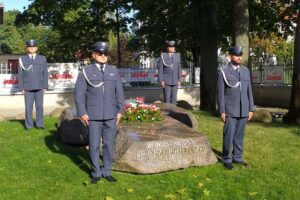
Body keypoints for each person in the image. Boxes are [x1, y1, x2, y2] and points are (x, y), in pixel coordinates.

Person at [75, 41, 124, 184]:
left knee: (109, 144)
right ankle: (96, 172)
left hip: (111, 114)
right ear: (94, 55)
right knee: (94, 145)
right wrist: (82, 112)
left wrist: (120, 110)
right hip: (93, 115)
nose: (103, 56)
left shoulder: (113, 70)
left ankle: (107, 171)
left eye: (106, 53)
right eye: (100, 53)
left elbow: (119, 92)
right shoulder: (86, 72)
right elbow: (79, 94)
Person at [216, 46, 255, 170]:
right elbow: (220, 93)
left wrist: (251, 108)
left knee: (239, 135)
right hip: (230, 109)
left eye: (240, 55)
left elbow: (249, 91)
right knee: (229, 135)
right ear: (230, 56)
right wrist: (222, 110)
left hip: (243, 109)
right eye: (237, 55)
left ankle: (237, 157)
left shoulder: (245, 71)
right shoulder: (223, 71)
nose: (239, 57)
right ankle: (226, 158)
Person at [18, 39, 48, 130]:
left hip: (39, 87)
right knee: (28, 108)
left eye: (33, 47)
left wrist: (45, 86)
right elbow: (20, 74)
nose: (32, 48)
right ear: (27, 48)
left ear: (36, 48)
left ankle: (40, 124)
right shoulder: (22, 59)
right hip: (27, 88)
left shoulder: (42, 58)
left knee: (39, 107)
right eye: (30, 47)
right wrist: (21, 88)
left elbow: (45, 73)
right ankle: (29, 125)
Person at [158, 40, 181, 104]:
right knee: (167, 99)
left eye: (173, 47)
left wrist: (179, 80)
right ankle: (167, 113)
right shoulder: (163, 56)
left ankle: (173, 113)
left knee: (174, 99)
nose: (172, 48)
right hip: (166, 81)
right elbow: (160, 70)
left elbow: (179, 69)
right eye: (170, 47)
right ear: (167, 48)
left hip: (175, 81)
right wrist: (161, 80)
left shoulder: (177, 56)